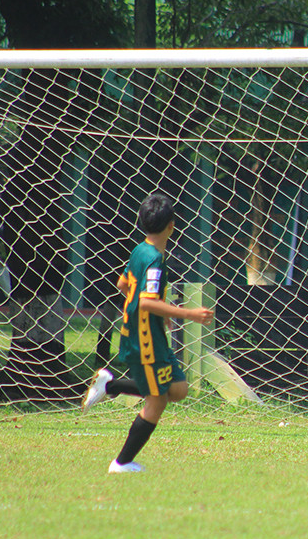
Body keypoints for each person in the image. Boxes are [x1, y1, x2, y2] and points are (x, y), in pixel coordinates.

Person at [81, 193, 214, 474]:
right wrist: (189, 314)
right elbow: (146, 301)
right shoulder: (154, 260)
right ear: (172, 226)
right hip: (145, 340)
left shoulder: (140, 250)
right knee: (157, 400)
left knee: (178, 390)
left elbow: (122, 284)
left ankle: (110, 387)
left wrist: (155, 314)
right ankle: (122, 463)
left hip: (146, 332)